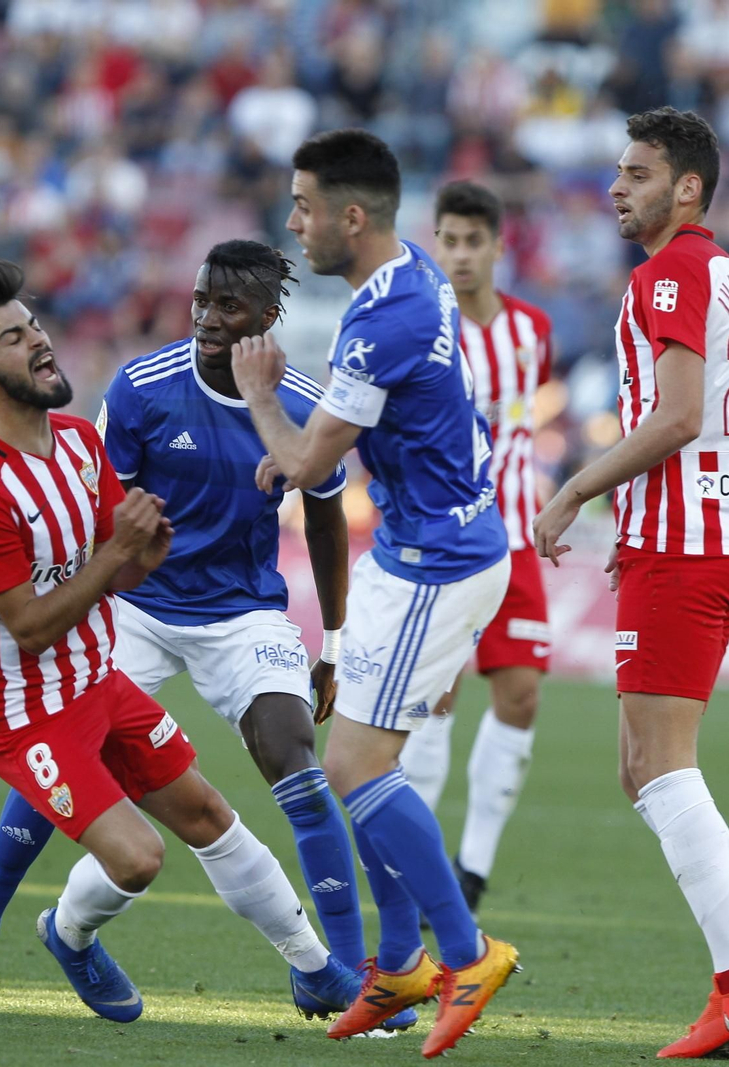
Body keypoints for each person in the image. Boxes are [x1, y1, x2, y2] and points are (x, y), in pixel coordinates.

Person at [0, 259, 360, 1024]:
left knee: (212, 817)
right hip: (26, 707)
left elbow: (115, 553)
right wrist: (125, 558)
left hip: (109, 672)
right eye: (16, 338)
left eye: (36, 326)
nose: (41, 341)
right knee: (139, 855)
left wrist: (142, 547)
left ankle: (326, 973)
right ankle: (56, 931)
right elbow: (27, 624)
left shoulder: (82, 443)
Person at [531, 107, 729, 1059]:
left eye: (637, 173)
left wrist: (578, 486)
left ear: (686, 187)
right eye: (618, 172)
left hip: (684, 550)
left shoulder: (667, 275)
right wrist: (667, 512)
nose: (617, 187)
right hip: (726, 541)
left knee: (662, 767)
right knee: (641, 767)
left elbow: (680, 414)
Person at [231, 129, 518, 1059]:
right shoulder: (407, 279)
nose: (292, 222)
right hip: (417, 550)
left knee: (356, 765)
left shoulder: (381, 318)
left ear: (352, 217)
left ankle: (465, 954)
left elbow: (308, 463)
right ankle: (398, 960)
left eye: (304, 205)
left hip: (440, 561)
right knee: (357, 760)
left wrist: (261, 393)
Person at [400, 180, 555, 913]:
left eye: (473, 242)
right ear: (437, 244)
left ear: (498, 247)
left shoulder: (533, 331)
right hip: (449, 539)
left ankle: (474, 866)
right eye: (449, 241)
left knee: (520, 695)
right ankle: (422, 861)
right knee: (437, 697)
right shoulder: (425, 329)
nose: (460, 255)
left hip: (518, 537)